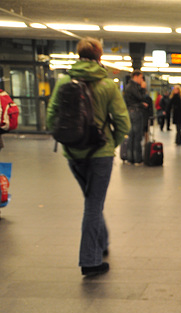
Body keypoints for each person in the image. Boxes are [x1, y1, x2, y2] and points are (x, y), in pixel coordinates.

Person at [46, 37, 131, 277]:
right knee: (93, 205)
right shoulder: (107, 85)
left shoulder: (64, 81)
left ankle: (101, 243)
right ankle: (90, 261)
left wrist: (67, 142)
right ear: (99, 56)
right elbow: (123, 122)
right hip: (100, 154)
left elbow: (52, 117)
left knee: (92, 200)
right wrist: (111, 143)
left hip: (73, 152)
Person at [123, 70, 148, 164]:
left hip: (131, 111)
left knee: (131, 135)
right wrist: (143, 88)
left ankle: (130, 158)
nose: (142, 80)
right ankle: (137, 158)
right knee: (137, 135)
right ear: (136, 76)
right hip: (136, 113)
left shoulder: (128, 86)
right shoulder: (133, 86)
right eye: (141, 77)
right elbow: (140, 97)